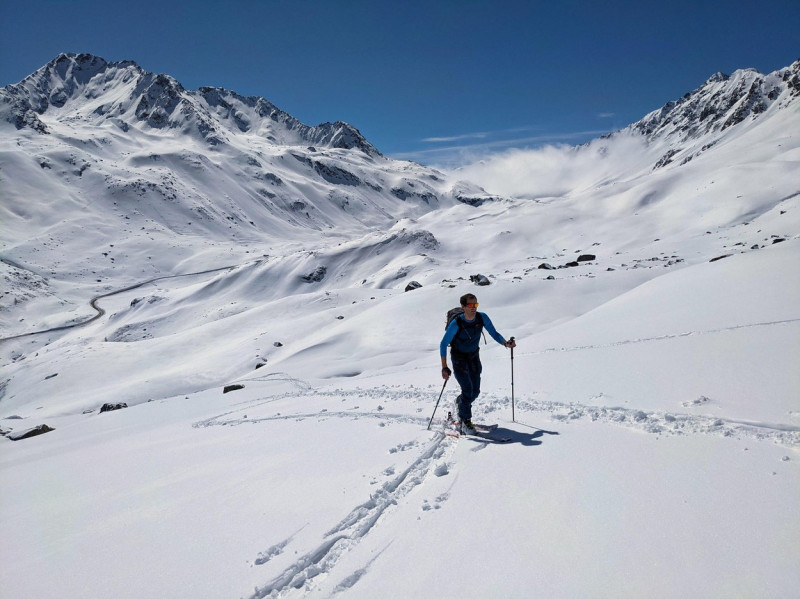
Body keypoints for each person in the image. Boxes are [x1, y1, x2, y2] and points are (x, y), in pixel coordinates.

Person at [440, 293, 515, 434]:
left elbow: (494, 333)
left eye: (475, 304)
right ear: (463, 307)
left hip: (474, 356)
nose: (473, 308)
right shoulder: (457, 323)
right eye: (470, 305)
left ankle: (460, 403)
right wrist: (444, 366)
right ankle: (465, 422)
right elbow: (443, 344)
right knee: (468, 390)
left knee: (475, 391)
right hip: (459, 358)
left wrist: (506, 343)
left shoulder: (482, 317)